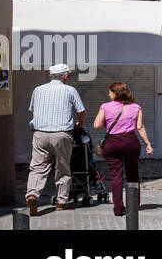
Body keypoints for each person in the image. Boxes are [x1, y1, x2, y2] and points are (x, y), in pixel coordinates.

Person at [25, 63, 86, 215]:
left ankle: (32, 194)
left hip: (40, 134)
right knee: (63, 168)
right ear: (65, 76)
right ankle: (61, 202)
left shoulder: (38, 90)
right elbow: (81, 111)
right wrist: (80, 123)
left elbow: (33, 110)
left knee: (37, 168)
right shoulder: (70, 90)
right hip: (61, 135)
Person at [93, 81, 153, 217]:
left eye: (110, 92)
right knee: (133, 173)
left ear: (116, 93)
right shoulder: (136, 107)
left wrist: (109, 124)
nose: (108, 94)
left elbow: (97, 125)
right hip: (130, 141)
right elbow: (140, 127)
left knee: (116, 176)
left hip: (112, 143)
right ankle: (134, 204)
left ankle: (118, 209)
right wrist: (148, 144)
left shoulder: (105, 107)